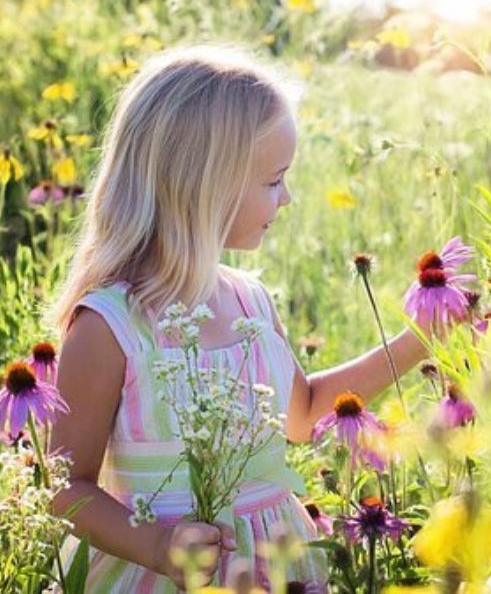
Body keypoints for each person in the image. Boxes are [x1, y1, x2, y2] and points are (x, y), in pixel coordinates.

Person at [46, 43, 432, 592]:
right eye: (274, 180)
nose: (288, 197)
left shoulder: (251, 301)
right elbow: (67, 487)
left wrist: (419, 340)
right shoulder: (111, 326)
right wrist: (157, 546)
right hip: (158, 575)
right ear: (204, 186)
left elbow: (302, 415)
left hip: (278, 565)